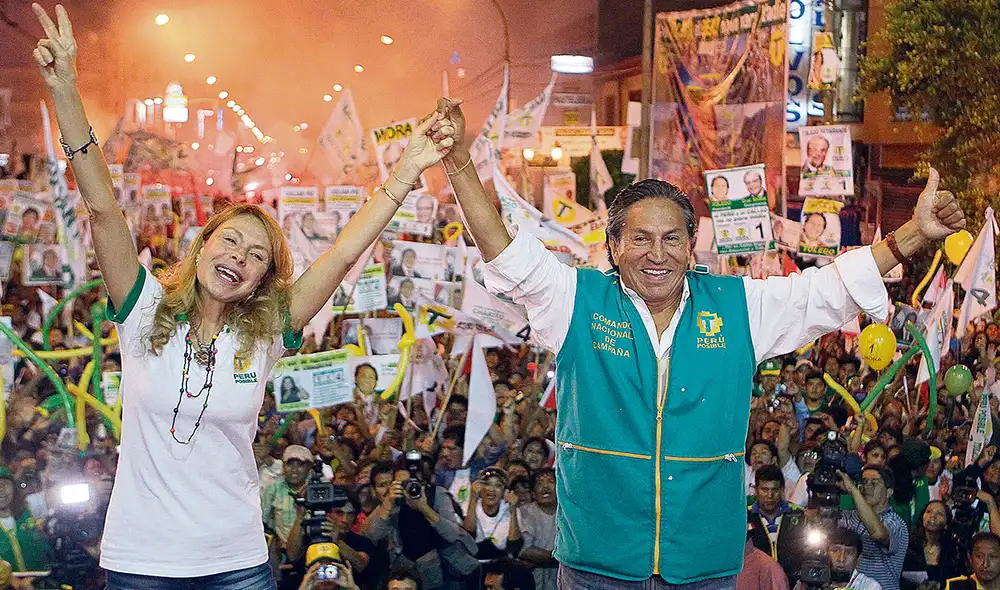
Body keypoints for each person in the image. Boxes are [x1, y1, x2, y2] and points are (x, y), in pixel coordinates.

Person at [431, 97, 965, 587]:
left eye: (671, 239)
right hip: (597, 563)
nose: (656, 254)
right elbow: (504, 252)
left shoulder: (736, 307)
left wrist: (913, 235)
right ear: (614, 247)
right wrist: (457, 160)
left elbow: (823, 291)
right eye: (640, 238)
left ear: (692, 247)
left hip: (704, 566)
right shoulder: (576, 300)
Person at [30, 5, 459, 585]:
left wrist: (407, 169)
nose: (239, 256)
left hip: (236, 564)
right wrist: (65, 92)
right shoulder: (143, 309)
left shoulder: (264, 334)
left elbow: (340, 255)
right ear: (202, 246)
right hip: (140, 561)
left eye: (257, 256)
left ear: (263, 281)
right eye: (230, 241)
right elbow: (103, 208)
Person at [360, 462, 477, 590]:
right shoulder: (391, 503)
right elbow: (371, 537)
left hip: (445, 569)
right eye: (401, 483)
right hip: (406, 571)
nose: (408, 487)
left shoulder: (437, 494)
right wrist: (388, 504)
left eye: (410, 482)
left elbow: (453, 534)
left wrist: (423, 507)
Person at [838, 467, 909, 590]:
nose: (867, 486)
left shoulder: (895, 522)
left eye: (874, 483)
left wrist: (853, 492)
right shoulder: (848, 516)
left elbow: (878, 534)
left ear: (889, 492)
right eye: (864, 482)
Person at [747, 465, 806, 583]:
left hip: (793, 582)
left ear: (782, 490)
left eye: (775, 489)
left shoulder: (799, 515)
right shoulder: (745, 517)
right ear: (756, 490)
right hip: (756, 582)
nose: (770, 496)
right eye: (765, 489)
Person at [902, 501, 963, 590]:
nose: (932, 516)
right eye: (928, 512)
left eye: (939, 513)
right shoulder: (909, 546)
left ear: (947, 521)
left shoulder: (954, 549)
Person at [0, 466, 50, 574]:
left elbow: (52, 496)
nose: (1, 490)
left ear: (14, 487)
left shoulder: (29, 506)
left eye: (5, 484)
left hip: (42, 580)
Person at [518, 468, 558, 590]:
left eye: (551, 481)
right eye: (540, 483)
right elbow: (524, 550)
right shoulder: (523, 512)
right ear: (533, 493)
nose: (545, 487)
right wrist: (557, 557)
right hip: (531, 579)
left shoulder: (568, 514)